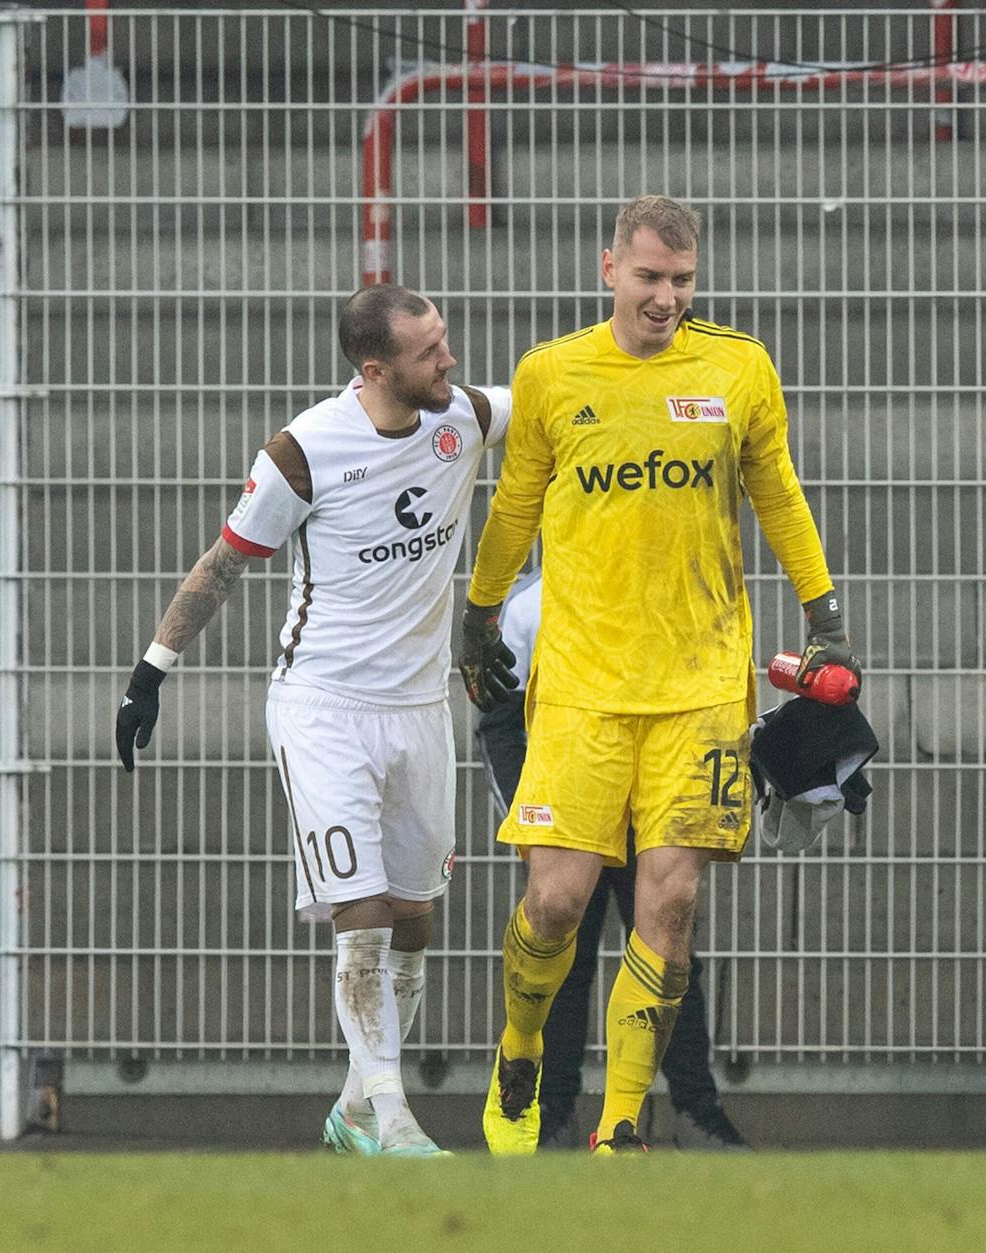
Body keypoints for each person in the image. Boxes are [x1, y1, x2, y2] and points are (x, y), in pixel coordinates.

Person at [455, 196, 859, 1155]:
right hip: (581, 685)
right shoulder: (553, 373)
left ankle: (623, 1120)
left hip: (701, 683)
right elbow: (514, 503)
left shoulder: (737, 366)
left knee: (670, 901)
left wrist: (825, 617)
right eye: (649, 278)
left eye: (682, 280)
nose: (667, 298)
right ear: (609, 270)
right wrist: (478, 616)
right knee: (555, 901)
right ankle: (519, 1048)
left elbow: (779, 492)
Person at [116, 285, 512, 1157]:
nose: (448, 361)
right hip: (323, 708)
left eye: (445, 341)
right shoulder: (304, 451)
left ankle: (354, 1110)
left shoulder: (467, 416)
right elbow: (224, 563)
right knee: (361, 910)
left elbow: (568, 412)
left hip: (419, 710)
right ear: (375, 371)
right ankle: (396, 1114)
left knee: (414, 918)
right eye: (428, 352)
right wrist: (152, 671)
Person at [475, 568, 748, 1150]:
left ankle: (696, 1114)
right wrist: (532, 822)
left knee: (671, 956)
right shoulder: (529, 605)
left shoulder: (661, 582)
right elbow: (501, 722)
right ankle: (551, 1117)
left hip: (648, 811)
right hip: (573, 816)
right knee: (563, 960)